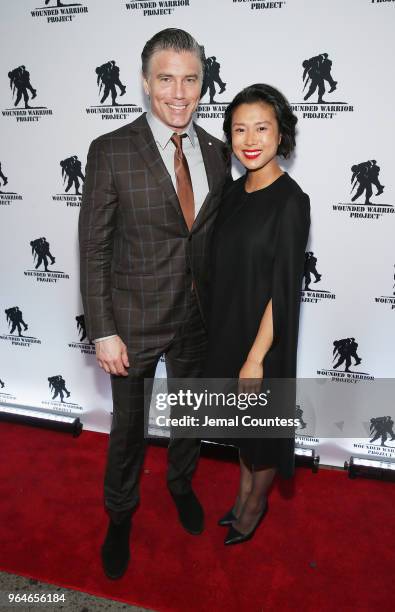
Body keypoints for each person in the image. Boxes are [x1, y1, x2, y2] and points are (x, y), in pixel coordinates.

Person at [78, 28, 229, 579]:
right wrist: (103, 329)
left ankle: (181, 483)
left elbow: (209, 241)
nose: (179, 92)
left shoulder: (215, 152)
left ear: (202, 82)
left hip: (196, 317)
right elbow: (93, 247)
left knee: (189, 415)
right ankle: (119, 516)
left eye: (190, 79)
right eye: (166, 78)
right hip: (133, 321)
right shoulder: (111, 150)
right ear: (145, 83)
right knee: (128, 429)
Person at [203, 84, 310, 545]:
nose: (250, 139)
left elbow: (283, 290)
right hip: (230, 326)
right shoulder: (230, 192)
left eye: (262, 128)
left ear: (280, 134)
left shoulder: (291, 202)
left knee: (262, 434)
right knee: (244, 430)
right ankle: (242, 494)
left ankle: (253, 506)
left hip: (266, 338)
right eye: (240, 128)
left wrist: (256, 357)